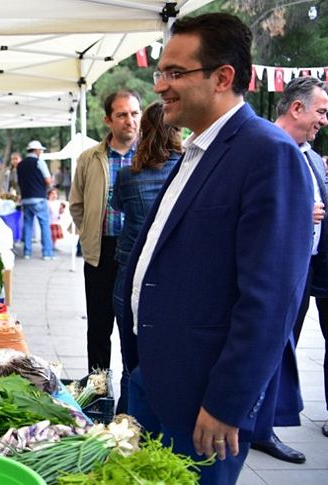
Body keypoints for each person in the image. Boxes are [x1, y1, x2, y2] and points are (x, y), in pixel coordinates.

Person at [123, 13, 313, 484]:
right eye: (160, 72)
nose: (160, 86)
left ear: (223, 77)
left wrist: (228, 402)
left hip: (204, 400)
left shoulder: (267, 153)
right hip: (154, 378)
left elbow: (270, 300)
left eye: (175, 73)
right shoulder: (197, 148)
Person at [256, 76, 328, 460]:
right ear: (296, 108)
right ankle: (258, 428)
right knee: (266, 348)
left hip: (308, 269)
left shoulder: (312, 156)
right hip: (273, 272)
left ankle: (264, 421)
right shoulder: (264, 147)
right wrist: (300, 213)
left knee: (286, 349)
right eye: (321, 111)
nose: (324, 120)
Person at [109, 101, 181, 417]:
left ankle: (127, 424)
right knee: (169, 359)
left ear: (145, 131)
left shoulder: (127, 175)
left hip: (129, 272)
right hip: (172, 277)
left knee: (130, 359)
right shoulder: (185, 171)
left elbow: (118, 205)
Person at [69, 90, 141, 373]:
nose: (129, 121)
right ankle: (97, 391)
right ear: (108, 120)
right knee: (99, 327)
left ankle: (131, 393)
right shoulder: (90, 158)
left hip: (136, 252)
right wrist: (88, 235)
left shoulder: (151, 156)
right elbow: (77, 204)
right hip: (101, 252)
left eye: (134, 113)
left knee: (133, 327)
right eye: (122, 114)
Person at [17, 140, 55, 260]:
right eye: (40, 150)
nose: (41, 152)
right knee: (44, 224)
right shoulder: (40, 162)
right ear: (36, 150)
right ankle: (47, 253)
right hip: (39, 198)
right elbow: (48, 181)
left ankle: (27, 252)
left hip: (25, 198)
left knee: (28, 225)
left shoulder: (20, 165)